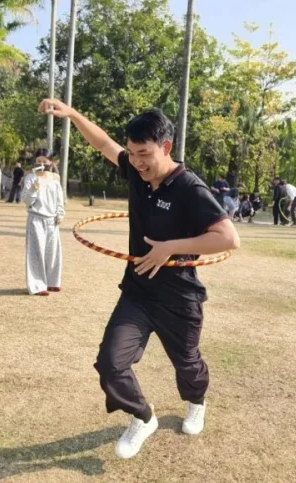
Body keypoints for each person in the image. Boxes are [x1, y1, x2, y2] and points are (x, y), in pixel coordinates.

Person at [39, 98, 240, 460]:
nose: (136, 161)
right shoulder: (136, 172)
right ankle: (142, 417)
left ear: (166, 147)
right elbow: (104, 143)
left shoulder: (189, 188)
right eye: (131, 153)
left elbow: (228, 238)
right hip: (138, 293)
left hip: (179, 298)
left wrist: (171, 248)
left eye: (144, 153)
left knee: (187, 364)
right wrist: (72, 114)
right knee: (110, 364)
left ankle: (196, 402)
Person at [23, 149, 65, 296]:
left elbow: (59, 199)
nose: (41, 164)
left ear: (50, 163)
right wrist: (33, 189)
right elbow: (26, 201)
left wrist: (60, 214)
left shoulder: (55, 179)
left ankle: (53, 282)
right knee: (36, 253)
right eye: (38, 161)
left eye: (44, 161)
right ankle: (37, 285)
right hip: (36, 219)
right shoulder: (30, 178)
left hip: (52, 221)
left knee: (52, 252)